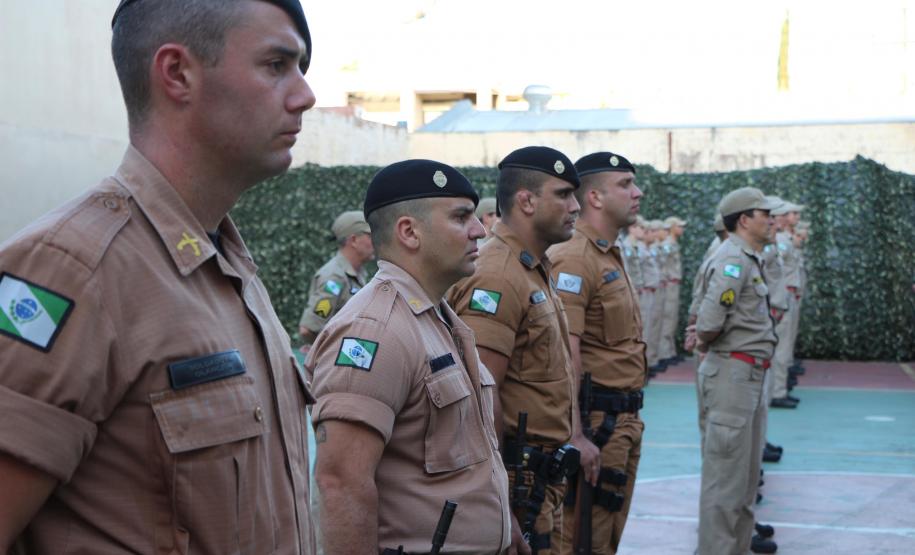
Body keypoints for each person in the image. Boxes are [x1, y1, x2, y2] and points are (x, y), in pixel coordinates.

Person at [0, 1, 318, 552]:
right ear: (177, 74)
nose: (305, 96)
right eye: (275, 64)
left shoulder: (230, 266)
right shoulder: (71, 270)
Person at [308, 160, 511, 554]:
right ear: (409, 232)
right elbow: (340, 483)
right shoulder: (374, 330)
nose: (479, 230)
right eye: (461, 217)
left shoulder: (435, 317)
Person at [448, 146, 598, 555]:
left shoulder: (531, 266)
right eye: (564, 194)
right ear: (527, 200)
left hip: (540, 477)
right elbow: (484, 392)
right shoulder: (498, 274)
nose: (576, 206)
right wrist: (500, 503)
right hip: (517, 481)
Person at [548, 152, 647, 554]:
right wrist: (575, 434)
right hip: (596, 424)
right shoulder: (574, 256)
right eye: (624, 184)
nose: (637, 192)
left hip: (621, 420)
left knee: (606, 535)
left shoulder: (607, 253)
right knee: (582, 539)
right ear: (594, 197)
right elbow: (566, 351)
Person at [694, 187, 780, 555]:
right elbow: (708, 322)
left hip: (746, 375)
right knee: (726, 482)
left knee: (745, 480)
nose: (772, 220)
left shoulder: (747, 256)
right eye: (765, 214)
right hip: (732, 374)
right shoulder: (733, 259)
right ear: (744, 220)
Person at [297, 210, 373, 350]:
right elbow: (308, 329)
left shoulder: (358, 274)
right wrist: (335, 352)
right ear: (354, 240)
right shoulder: (334, 277)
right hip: (335, 365)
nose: (375, 240)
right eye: (370, 235)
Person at [769, 201, 805, 408]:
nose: (788, 217)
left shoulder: (782, 238)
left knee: (783, 345)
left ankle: (779, 388)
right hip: (781, 297)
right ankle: (777, 391)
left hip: (787, 295)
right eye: (783, 214)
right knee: (780, 347)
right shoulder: (780, 240)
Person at [659, 216, 687, 366]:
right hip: (669, 284)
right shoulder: (667, 244)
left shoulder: (673, 243)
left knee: (672, 318)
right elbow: (661, 263)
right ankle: (663, 353)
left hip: (673, 284)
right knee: (667, 316)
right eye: (679, 226)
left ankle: (670, 351)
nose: (681, 229)